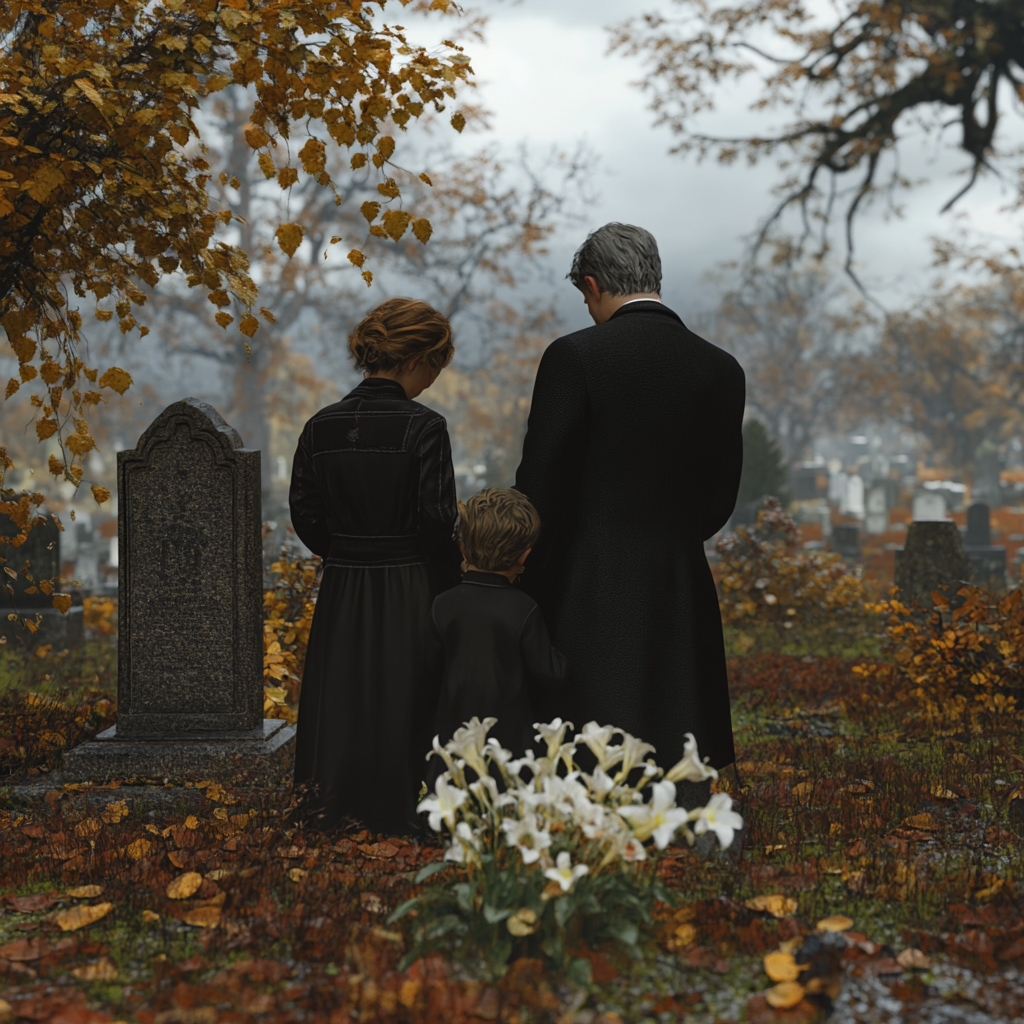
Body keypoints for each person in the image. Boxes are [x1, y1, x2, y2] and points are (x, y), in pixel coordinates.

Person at [514, 222, 745, 801]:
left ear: (591, 285)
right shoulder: (721, 368)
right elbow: (721, 495)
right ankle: (685, 807)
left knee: (594, 733)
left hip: (586, 572)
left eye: (584, 298)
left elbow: (540, 481)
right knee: (677, 711)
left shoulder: (574, 356)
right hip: (678, 570)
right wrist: (675, 535)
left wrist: (530, 568)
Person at [289, 297, 461, 834]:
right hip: (409, 582)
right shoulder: (425, 427)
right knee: (403, 693)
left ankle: (330, 808)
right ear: (414, 360)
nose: (434, 379)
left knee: (341, 694)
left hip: (344, 583)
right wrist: (449, 584)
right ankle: (399, 811)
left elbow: (306, 516)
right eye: (436, 365)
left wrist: (348, 551)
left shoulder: (320, 427)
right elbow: (437, 520)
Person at [429, 488, 568, 756]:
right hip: (510, 741)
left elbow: (429, 670)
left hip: (454, 736)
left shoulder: (442, 604)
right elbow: (553, 675)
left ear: (462, 548)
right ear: (524, 556)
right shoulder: (524, 608)